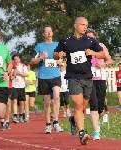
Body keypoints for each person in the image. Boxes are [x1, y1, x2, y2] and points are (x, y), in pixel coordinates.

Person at [53, 17, 105, 145]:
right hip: (73, 77)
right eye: (82, 24)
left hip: (87, 77)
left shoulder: (90, 40)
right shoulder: (66, 41)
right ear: (75, 25)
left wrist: (92, 52)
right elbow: (55, 54)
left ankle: (73, 120)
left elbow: (102, 54)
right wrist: (58, 55)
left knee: (82, 108)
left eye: (86, 25)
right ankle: (82, 133)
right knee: (78, 105)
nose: (85, 27)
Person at [31, 25, 63, 134]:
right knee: (47, 102)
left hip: (55, 75)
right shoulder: (39, 46)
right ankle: (48, 124)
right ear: (43, 34)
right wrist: (41, 58)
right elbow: (32, 61)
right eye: (46, 32)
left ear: (52, 33)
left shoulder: (58, 45)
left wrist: (60, 61)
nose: (49, 33)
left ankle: (56, 122)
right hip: (43, 76)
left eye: (50, 31)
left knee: (57, 97)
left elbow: (63, 57)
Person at [86, 28, 113, 140]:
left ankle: (96, 121)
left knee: (100, 108)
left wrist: (103, 65)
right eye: (88, 37)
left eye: (92, 37)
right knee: (94, 104)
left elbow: (110, 60)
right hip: (89, 80)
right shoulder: (83, 49)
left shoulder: (101, 46)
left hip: (101, 79)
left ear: (95, 38)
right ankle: (96, 131)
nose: (90, 39)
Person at [0, 61, 17, 130]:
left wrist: (14, 75)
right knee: (0, 104)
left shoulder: (11, 62)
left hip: (8, 86)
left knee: (8, 104)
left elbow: (15, 69)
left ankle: (6, 121)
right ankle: (2, 121)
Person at [12, 55, 29, 123]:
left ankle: (21, 115)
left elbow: (27, 74)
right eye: (15, 59)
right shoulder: (12, 66)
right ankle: (15, 116)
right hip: (14, 85)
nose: (16, 60)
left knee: (21, 102)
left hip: (21, 86)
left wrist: (19, 72)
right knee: (15, 101)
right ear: (13, 60)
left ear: (19, 59)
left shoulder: (23, 66)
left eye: (17, 59)